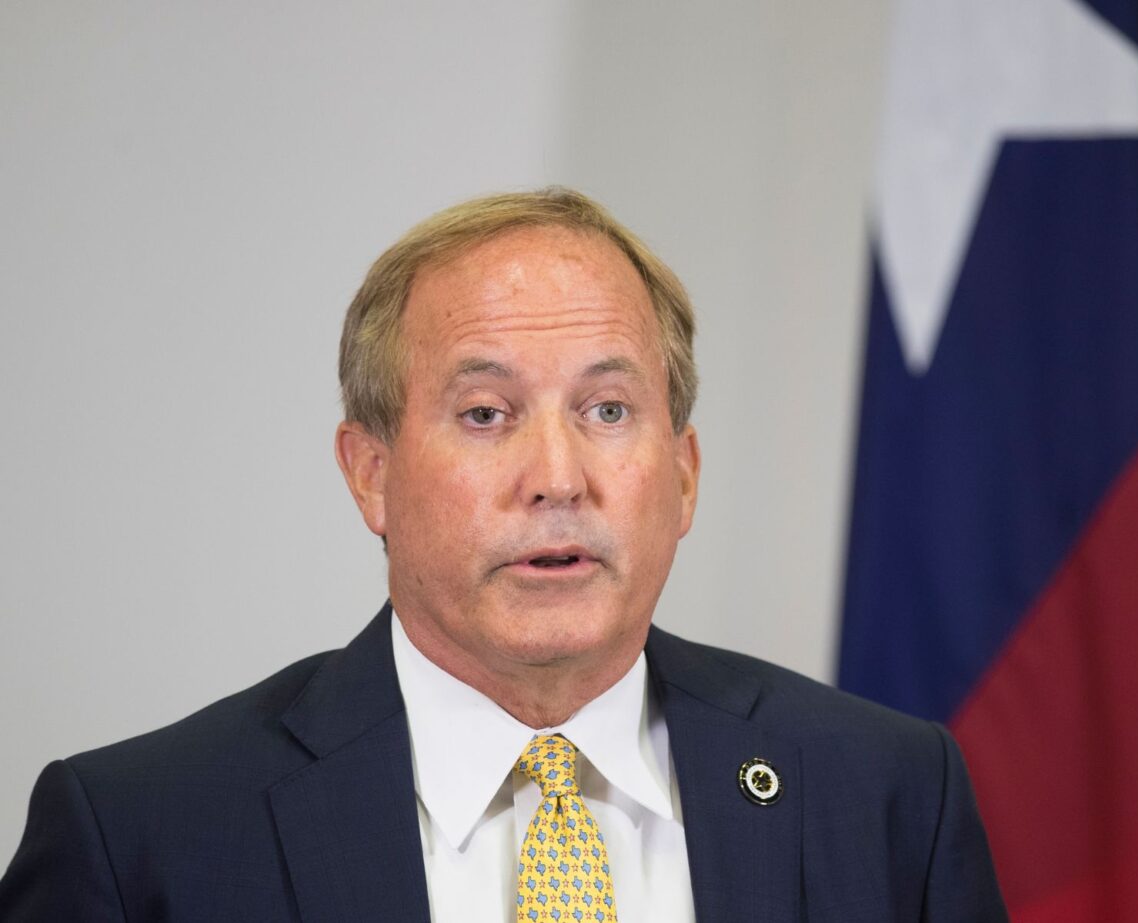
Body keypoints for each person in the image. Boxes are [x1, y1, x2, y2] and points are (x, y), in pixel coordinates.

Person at [0, 189, 1006, 921]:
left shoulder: (886, 795)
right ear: (370, 471)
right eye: (486, 413)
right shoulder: (142, 838)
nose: (558, 476)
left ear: (685, 471)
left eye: (608, 409)